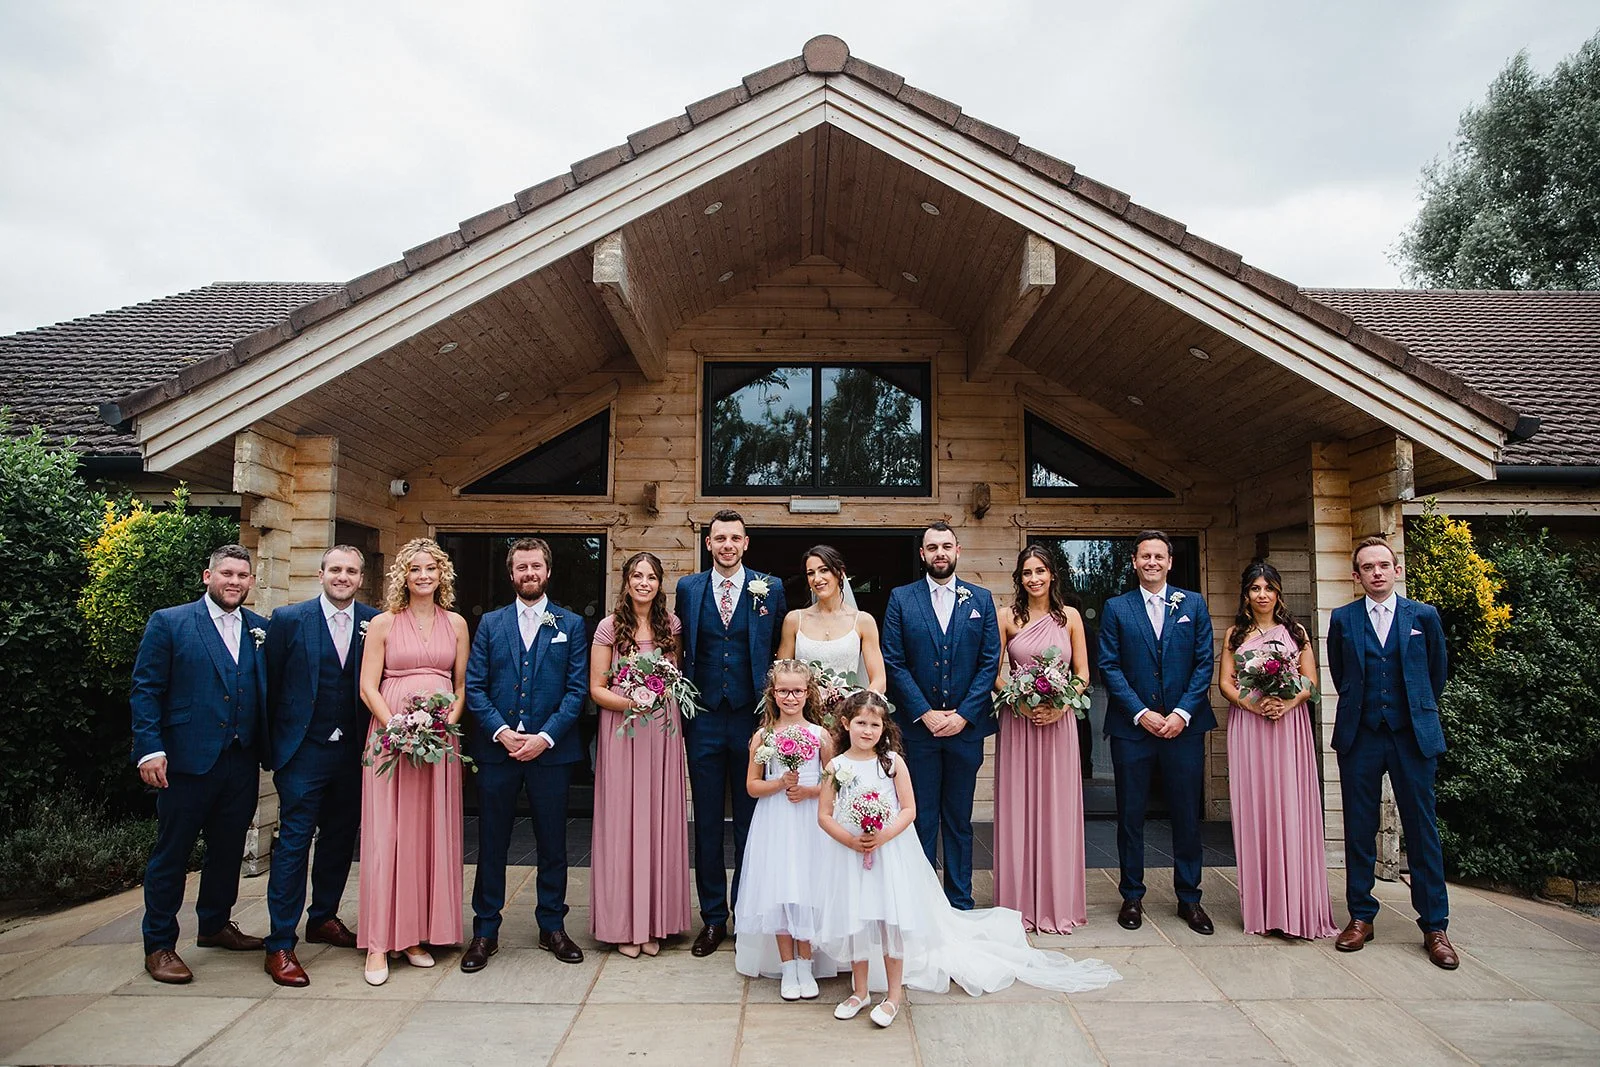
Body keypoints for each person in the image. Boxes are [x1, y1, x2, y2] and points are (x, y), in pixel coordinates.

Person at [816, 692, 1120, 1029]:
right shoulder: (836, 766)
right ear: (846, 724)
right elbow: (825, 814)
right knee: (858, 920)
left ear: (884, 727)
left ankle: (892, 996)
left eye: (875, 724)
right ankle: (860, 992)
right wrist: (851, 840)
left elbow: (909, 809)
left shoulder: (891, 762)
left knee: (891, 923)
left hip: (887, 855)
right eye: (860, 723)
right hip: (851, 854)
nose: (867, 730)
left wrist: (882, 836)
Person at [132, 544, 269, 984]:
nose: (235, 582)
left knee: (227, 851)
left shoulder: (259, 629)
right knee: (172, 854)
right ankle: (159, 944)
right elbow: (146, 689)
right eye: (226, 573)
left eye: (242, 575)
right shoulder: (170, 622)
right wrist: (150, 748)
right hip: (186, 761)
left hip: (241, 760)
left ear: (251, 581)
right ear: (207, 576)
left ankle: (214, 924)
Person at [1327, 536, 1457, 969]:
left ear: (1396, 569)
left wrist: (1412, 710)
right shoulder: (1344, 619)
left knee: (1422, 830)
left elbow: (1436, 672)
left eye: (1384, 564)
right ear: (1356, 574)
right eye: (1368, 566)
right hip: (1361, 735)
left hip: (1412, 735)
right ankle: (1361, 916)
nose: (1377, 572)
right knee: (1359, 829)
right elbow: (1342, 671)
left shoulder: (1423, 616)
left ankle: (1434, 925)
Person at [462, 537, 589, 973]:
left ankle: (552, 925)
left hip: (550, 754)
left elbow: (577, 693)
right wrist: (500, 731)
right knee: (492, 842)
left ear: (547, 571)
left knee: (553, 843)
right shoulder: (491, 624)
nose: (529, 573)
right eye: (521, 568)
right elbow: (474, 687)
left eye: (536, 566)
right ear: (511, 574)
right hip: (498, 752)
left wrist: (545, 737)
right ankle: (485, 931)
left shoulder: (570, 625)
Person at [261, 545, 380, 987]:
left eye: (351, 570)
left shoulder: (374, 621)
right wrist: (275, 750)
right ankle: (280, 943)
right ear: (321, 573)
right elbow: (269, 686)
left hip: (353, 754)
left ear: (361, 578)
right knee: (293, 844)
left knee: (338, 840)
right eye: (335, 569)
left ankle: (324, 917)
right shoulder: (290, 621)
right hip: (302, 753)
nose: (343, 577)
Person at [674, 509, 788, 956]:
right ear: (708, 544)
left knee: (749, 820)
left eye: (734, 538)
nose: (727, 545)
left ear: (746, 543)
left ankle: (746, 911)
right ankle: (712, 918)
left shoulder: (770, 588)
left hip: (750, 720)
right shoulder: (688, 588)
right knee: (705, 821)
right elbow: (681, 646)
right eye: (719, 538)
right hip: (702, 717)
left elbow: (780, 646)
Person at [357, 538, 469, 986]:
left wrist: (441, 727)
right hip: (390, 739)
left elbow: (461, 687)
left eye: (431, 568)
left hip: (438, 741)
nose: (423, 575)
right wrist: (397, 729)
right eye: (415, 568)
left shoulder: (457, 624)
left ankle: (415, 935)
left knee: (426, 835)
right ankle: (380, 943)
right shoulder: (383, 623)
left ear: (442, 575)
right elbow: (368, 687)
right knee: (389, 836)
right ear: (403, 575)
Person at [1097, 530, 1216, 935]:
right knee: (1131, 816)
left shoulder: (1194, 604)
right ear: (1134, 562)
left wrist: (1182, 712)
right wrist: (1141, 712)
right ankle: (1131, 894)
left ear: (1169, 562)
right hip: (1134, 729)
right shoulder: (1117, 607)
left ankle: (1190, 898)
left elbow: (1204, 663)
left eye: (1158, 556)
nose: (1151, 562)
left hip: (1184, 728)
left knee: (1185, 814)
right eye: (1144, 556)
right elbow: (1108, 666)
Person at [880, 521, 1001, 910]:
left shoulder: (980, 600)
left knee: (960, 820)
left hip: (966, 731)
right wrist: (925, 713)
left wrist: (964, 714)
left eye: (946, 546)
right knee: (922, 817)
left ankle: (960, 899)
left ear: (958, 550)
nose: (940, 553)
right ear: (922, 554)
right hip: (920, 732)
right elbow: (894, 662)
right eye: (932, 548)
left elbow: (989, 663)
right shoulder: (902, 598)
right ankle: (923, 902)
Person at [1218, 561, 1338, 941]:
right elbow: (1225, 683)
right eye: (1255, 588)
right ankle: (1263, 909)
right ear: (1246, 594)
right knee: (1256, 811)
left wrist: (1287, 703)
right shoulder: (1235, 634)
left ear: (1279, 592)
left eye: (1269, 587)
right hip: (1249, 726)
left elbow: (1311, 681)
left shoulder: (1295, 632)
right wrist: (1251, 704)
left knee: (1289, 808)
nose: (1262, 594)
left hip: (1288, 727)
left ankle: (1296, 907)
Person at [588, 551, 692, 958]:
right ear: (627, 582)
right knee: (623, 822)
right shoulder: (609, 627)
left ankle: (654, 922)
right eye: (636, 575)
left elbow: (675, 675)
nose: (643, 582)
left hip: (661, 732)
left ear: (659, 582)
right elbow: (596, 687)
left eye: (650, 576)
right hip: (622, 727)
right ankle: (623, 926)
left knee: (657, 820)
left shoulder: (671, 625)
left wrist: (657, 692)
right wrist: (630, 701)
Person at [993, 545, 1090, 934]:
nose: (1034, 578)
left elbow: (1082, 673)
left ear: (1052, 575)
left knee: (1056, 807)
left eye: (1040, 571)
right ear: (1019, 578)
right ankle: (1016, 904)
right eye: (1027, 572)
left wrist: (1063, 705)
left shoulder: (1069, 618)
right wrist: (1015, 696)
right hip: (1018, 722)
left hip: (1058, 723)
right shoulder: (1006, 617)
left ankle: (1056, 901)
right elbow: (993, 672)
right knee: (1019, 806)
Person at [734, 660, 835, 999]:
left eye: (797, 691)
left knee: (805, 887)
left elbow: (834, 783)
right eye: (783, 691)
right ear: (772, 694)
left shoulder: (820, 735)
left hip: (809, 819)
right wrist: (779, 783)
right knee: (779, 888)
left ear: (808, 694)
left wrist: (808, 790)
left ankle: (806, 965)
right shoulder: (764, 736)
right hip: (776, 819)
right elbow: (751, 786)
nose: (790, 697)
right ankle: (787, 966)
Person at [777, 544, 886, 693]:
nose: (817, 578)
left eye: (824, 570)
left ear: (840, 573)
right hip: (804, 711)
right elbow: (781, 674)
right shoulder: (794, 620)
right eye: (810, 573)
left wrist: (857, 707)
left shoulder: (863, 621)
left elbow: (879, 680)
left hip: (849, 711)